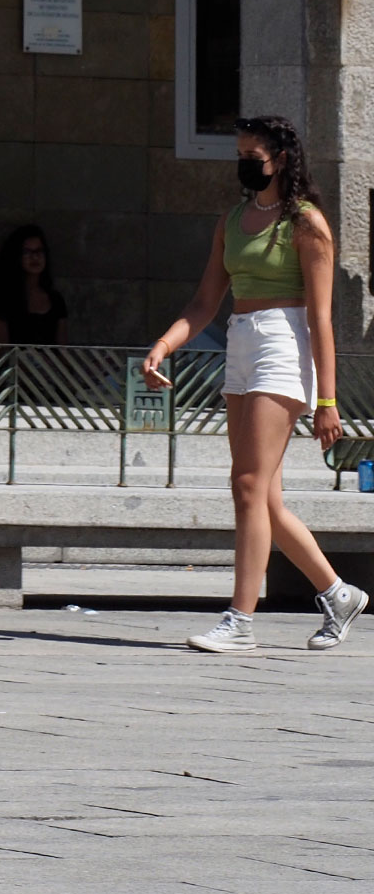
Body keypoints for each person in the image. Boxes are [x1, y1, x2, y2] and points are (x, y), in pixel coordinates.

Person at [141, 115, 367, 652]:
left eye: (253, 155)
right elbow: (203, 304)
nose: (244, 164)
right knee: (262, 495)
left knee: (245, 483)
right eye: (239, 154)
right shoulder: (234, 219)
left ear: (281, 159)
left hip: (284, 345)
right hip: (241, 341)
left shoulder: (306, 223)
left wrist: (328, 400)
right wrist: (164, 345)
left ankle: (240, 620)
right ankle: (338, 593)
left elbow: (321, 318)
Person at [0, 224, 68, 345]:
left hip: (50, 363)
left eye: (39, 251)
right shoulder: (2, 299)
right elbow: (3, 351)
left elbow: (63, 349)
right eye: (27, 252)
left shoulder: (56, 300)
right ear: (16, 256)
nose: (35, 257)